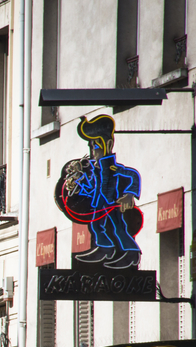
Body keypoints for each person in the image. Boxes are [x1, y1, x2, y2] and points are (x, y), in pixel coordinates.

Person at [55, 114, 143, 269]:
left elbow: (133, 175)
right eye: (91, 146)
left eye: (95, 146)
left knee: (118, 227)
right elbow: (88, 178)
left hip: (112, 201)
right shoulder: (95, 167)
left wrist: (129, 194)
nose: (93, 151)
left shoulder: (113, 167)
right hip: (100, 201)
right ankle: (104, 248)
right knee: (96, 225)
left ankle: (131, 252)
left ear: (107, 145)